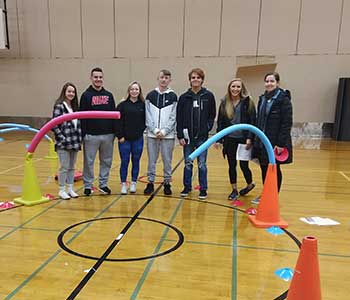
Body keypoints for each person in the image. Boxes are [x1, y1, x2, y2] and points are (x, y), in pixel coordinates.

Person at [252, 72, 293, 204]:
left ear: (277, 83)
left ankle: (273, 195)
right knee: (264, 167)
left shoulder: (283, 100)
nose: (269, 84)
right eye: (267, 81)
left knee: (275, 168)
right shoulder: (262, 98)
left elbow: (287, 123)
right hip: (262, 140)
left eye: (272, 81)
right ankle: (266, 193)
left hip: (275, 142)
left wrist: (280, 144)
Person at [176, 68, 216, 200]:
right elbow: (179, 118)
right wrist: (180, 135)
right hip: (188, 138)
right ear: (190, 80)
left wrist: (208, 127)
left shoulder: (208, 96)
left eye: (198, 77)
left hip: (203, 138)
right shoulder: (183, 98)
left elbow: (212, 115)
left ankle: (203, 189)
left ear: (202, 80)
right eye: (193, 77)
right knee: (188, 163)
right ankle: (187, 187)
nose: (195, 80)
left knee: (202, 164)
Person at [215, 78, 256, 200]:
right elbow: (221, 122)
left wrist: (250, 137)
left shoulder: (248, 102)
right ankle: (234, 189)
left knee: (244, 165)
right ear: (229, 88)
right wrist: (218, 139)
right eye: (233, 86)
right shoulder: (224, 102)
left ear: (241, 89)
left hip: (243, 139)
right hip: (229, 140)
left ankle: (250, 184)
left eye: (238, 87)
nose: (235, 89)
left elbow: (253, 120)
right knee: (231, 165)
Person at [79, 67, 116, 196]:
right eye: (95, 77)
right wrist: (83, 134)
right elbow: (81, 117)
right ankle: (88, 185)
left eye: (100, 77)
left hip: (107, 136)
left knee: (106, 161)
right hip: (91, 136)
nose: (98, 79)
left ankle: (103, 184)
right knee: (89, 162)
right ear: (91, 78)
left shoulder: (109, 96)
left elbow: (113, 115)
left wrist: (113, 134)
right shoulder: (86, 95)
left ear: (103, 79)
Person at [144, 70, 177, 196]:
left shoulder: (173, 96)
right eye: (162, 77)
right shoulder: (150, 95)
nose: (164, 80)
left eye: (166, 77)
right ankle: (150, 183)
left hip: (167, 136)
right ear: (158, 79)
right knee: (152, 160)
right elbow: (148, 116)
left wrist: (164, 131)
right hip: (152, 135)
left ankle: (167, 183)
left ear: (170, 80)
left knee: (167, 160)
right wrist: (155, 130)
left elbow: (173, 117)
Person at [52, 82, 82, 200]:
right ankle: (62, 189)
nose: (71, 94)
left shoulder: (74, 107)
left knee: (71, 167)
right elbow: (54, 124)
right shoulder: (59, 106)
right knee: (64, 167)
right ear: (64, 92)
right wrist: (62, 138)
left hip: (74, 142)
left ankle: (70, 188)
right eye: (69, 91)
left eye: (73, 92)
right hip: (64, 143)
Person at [116, 82, 146, 195]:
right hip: (124, 140)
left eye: (136, 89)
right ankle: (123, 184)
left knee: (136, 160)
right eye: (132, 89)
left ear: (139, 91)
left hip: (138, 139)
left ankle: (134, 182)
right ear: (129, 91)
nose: (134, 91)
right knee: (124, 161)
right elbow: (117, 122)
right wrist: (120, 136)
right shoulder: (122, 105)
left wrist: (140, 132)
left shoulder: (143, 105)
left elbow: (145, 121)